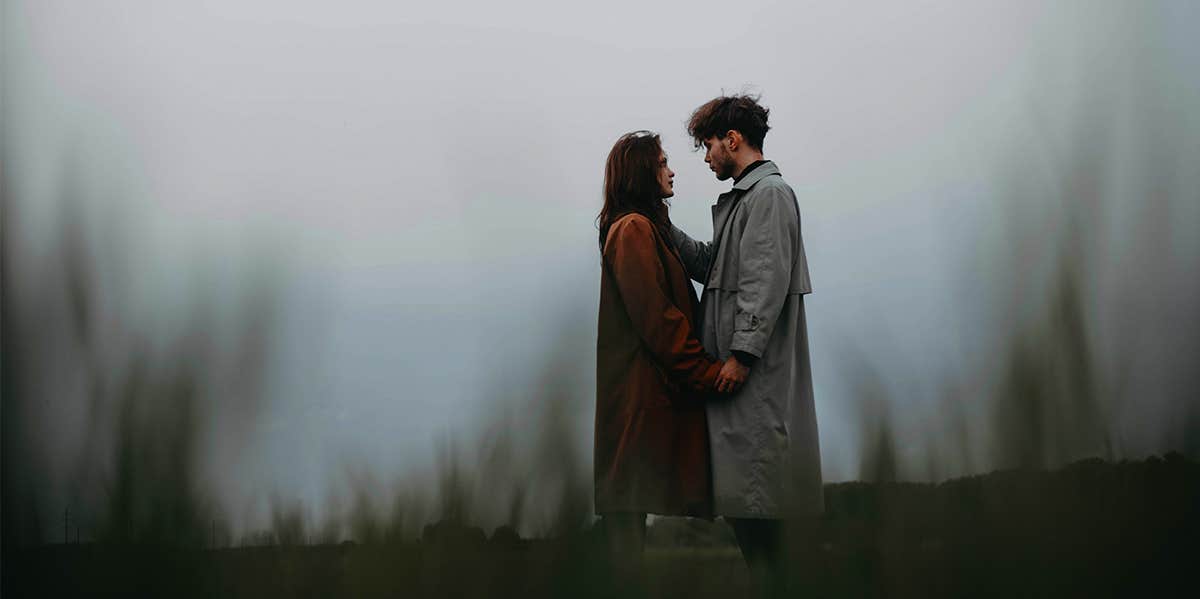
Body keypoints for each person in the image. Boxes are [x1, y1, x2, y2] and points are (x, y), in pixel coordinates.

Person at [670, 94, 823, 597]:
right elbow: (710, 263)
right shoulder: (744, 200)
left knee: (762, 514)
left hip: (752, 383)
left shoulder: (770, 195)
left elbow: (764, 280)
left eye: (709, 145)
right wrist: (657, 221)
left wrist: (741, 355)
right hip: (738, 385)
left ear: (732, 140)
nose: (707, 156)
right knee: (748, 512)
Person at [594, 130, 737, 590]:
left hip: (648, 396)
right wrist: (709, 371)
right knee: (627, 523)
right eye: (662, 163)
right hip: (642, 399)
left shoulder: (645, 227)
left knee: (630, 516)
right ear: (642, 172)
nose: (672, 171)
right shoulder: (633, 230)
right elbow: (659, 320)